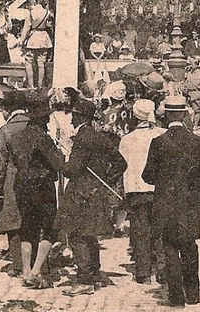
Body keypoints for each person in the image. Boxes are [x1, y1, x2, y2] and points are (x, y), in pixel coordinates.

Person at [142, 95, 200, 306]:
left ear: (165, 116)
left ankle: (175, 296)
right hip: (190, 203)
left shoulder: (158, 142)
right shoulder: (198, 142)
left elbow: (148, 176)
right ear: (184, 115)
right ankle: (193, 293)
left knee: (170, 247)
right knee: (190, 246)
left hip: (165, 203)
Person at [58, 98, 127, 297]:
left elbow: (73, 170)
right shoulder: (99, 136)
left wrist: (61, 161)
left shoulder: (81, 138)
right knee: (90, 233)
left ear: (81, 116)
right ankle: (94, 272)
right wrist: (105, 180)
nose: (70, 118)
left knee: (76, 233)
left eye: (73, 114)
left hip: (81, 191)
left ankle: (84, 279)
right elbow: (121, 163)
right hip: (96, 190)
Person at [7, 102, 65, 288]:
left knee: (27, 228)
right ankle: (36, 270)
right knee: (49, 228)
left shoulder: (17, 137)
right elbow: (57, 164)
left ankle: (25, 271)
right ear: (43, 120)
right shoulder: (43, 138)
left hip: (22, 185)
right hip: (42, 186)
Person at [118, 99, 166, 285]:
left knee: (140, 231)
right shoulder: (162, 135)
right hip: (158, 189)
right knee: (160, 230)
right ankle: (162, 269)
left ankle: (143, 272)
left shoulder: (127, 139)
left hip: (136, 190)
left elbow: (123, 166)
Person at [0, 93, 30, 277]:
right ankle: (30, 263)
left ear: (8, 110)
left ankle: (17, 265)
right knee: (30, 220)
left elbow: (0, 162)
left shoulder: (5, 130)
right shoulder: (32, 125)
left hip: (12, 178)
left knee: (13, 222)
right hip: (32, 177)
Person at [20, 0, 53, 89]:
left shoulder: (31, 13)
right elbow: (49, 24)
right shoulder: (47, 12)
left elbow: (26, 28)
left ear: (34, 1)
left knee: (29, 61)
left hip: (33, 38)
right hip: (44, 37)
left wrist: (22, 41)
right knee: (41, 62)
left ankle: (31, 86)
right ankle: (40, 85)